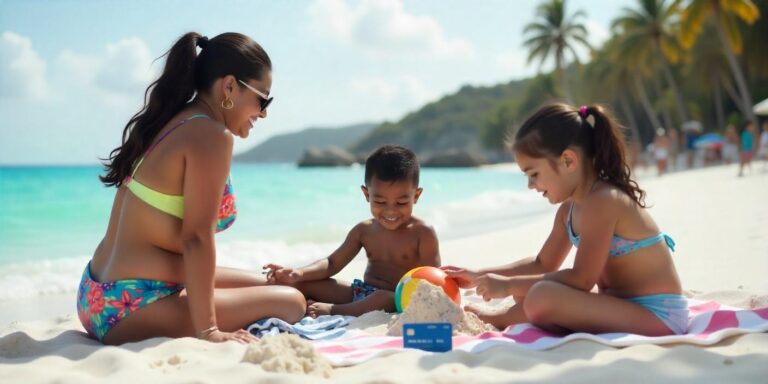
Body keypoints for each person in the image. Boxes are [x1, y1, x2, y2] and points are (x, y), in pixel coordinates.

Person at [78, 32, 307, 345]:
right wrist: (208, 330)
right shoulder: (211, 134)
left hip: (95, 292)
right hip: (126, 306)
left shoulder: (176, 119)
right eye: (263, 99)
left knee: (270, 283)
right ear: (229, 86)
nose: (264, 112)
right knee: (291, 302)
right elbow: (196, 238)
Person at [443, 103, 686, 336]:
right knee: (531, 291)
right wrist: (479, 275)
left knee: (540, 295)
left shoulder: (604, 200)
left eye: (534, 174)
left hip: (658, 316)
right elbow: (542, 264)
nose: (531, 185)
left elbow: (582, 279)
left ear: (568, 161)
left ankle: (501, 318)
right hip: (618, 306)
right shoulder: (568, 211)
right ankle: (512, 313)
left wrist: (507, 286)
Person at [263, 145, 441, 317]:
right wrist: (299, 273)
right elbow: (332, 264)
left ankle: (336, 310)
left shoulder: (422, 233)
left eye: (401, 203)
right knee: (310, 283)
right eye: (380, 202)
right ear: (366, 195)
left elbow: (432, 282)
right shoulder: (364, 230)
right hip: (361, 293)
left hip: (397, 299)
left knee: (381, 297)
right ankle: (262, 301)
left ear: (416, 196)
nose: (390, 211)